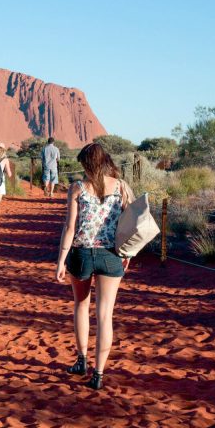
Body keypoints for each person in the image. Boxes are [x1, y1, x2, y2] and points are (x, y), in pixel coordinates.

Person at [54, 143, 131, 390]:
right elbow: (131, 224)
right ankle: (98, 374)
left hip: (81, 254)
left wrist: (61, 260)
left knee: (81, 304)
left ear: (88, 164)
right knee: (105, 315)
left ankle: (82, 361)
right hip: (111, 255)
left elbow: (69, 227)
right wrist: (128, 252)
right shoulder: (122, 187)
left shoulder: (77, 188)